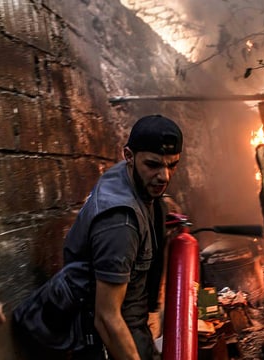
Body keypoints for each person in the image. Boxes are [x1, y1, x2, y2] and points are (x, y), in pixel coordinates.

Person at [63, 114, 183, 359]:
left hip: (133, 318)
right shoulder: (121, 224)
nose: (165, 176)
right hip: (112, 335)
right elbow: (106, 318)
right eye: (153, 165)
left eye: (172, 165)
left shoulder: (128, 177)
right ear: (128, 156)